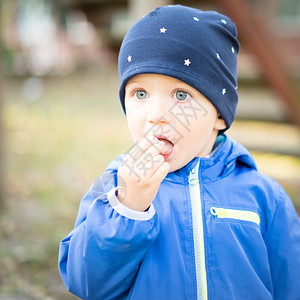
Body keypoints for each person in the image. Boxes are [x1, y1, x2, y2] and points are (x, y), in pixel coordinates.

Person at [58, 5, 300, 300]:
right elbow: (87, 283)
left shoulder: (264, 197)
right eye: (140, 94)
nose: (156, 114)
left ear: (220, 116)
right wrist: (129, 209)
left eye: (181, 95)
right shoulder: (114, 189)